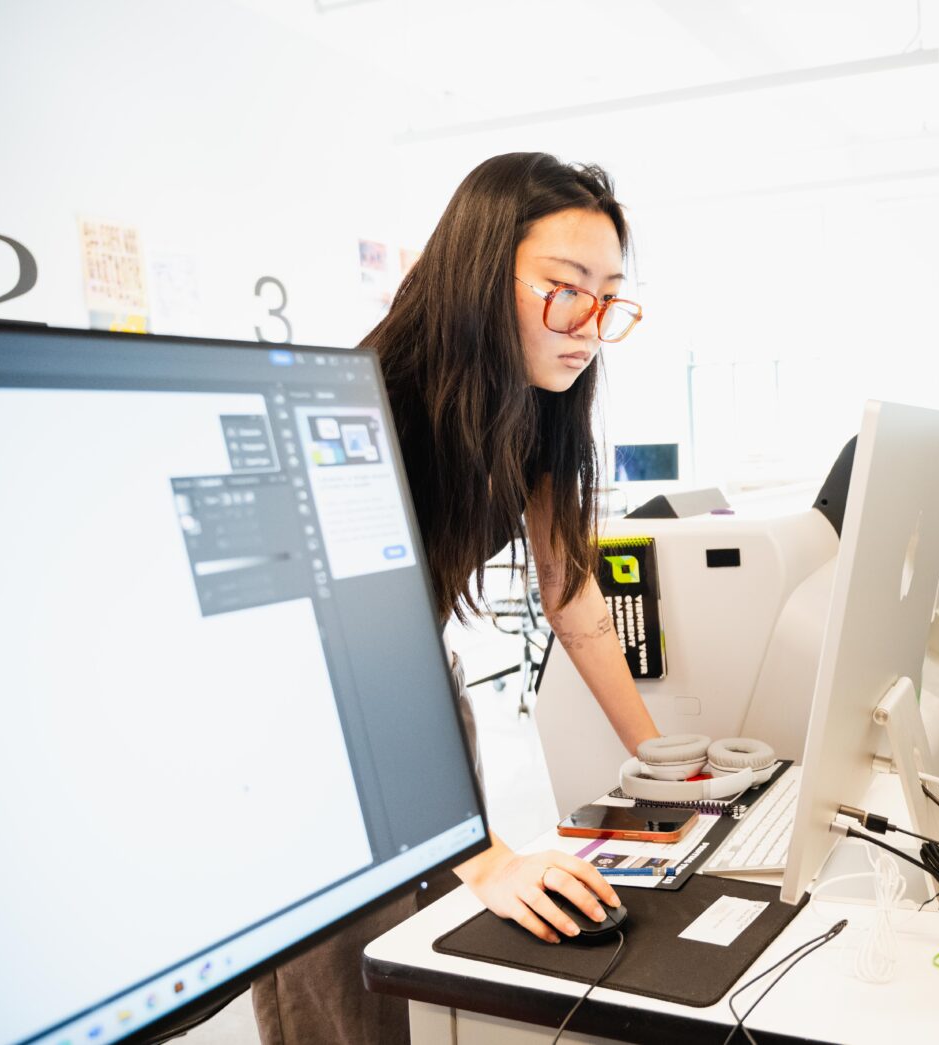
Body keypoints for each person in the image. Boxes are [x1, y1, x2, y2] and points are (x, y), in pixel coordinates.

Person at [251, 152, 659, 1044]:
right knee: (351, 996)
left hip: (419, 702)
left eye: (609, 295)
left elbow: (574, 596)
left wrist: (665, 762)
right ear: (481, 273)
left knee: (427, 974)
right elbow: (349, 658)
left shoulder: (541, 404)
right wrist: (487, 857)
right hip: (326, 723)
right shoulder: (370, 403)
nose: (589, 321)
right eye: (564, 287)